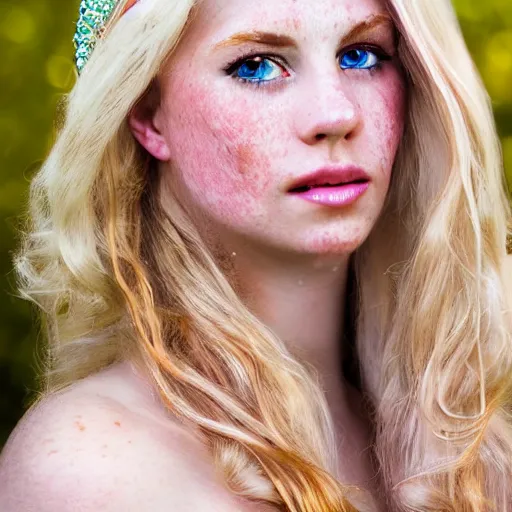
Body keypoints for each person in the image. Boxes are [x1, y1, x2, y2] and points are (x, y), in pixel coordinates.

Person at [0, 0, 511, 510]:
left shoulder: (475, 442)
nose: (336, 115)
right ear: (147, 115)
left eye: (361, 55)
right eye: (257, 66)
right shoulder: (88, 467)